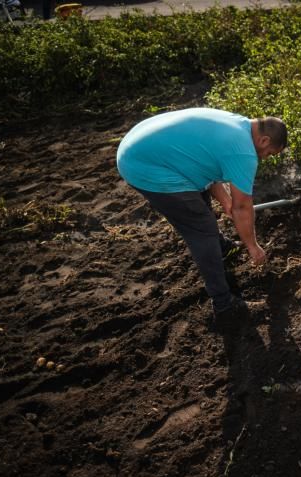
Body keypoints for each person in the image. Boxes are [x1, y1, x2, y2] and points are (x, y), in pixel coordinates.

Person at [116, 107, 287, 329]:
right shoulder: (243, 151)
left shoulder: (237, 125)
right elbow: (243, 207)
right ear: (264, 140)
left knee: (199, 202)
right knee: (201, 227)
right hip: (144, 165)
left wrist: (225, 201)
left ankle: (221, 247)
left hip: (139, 145)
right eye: (270, 153)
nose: (265, 158)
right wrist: (253, 247)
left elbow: (206, 167)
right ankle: (224, 304)